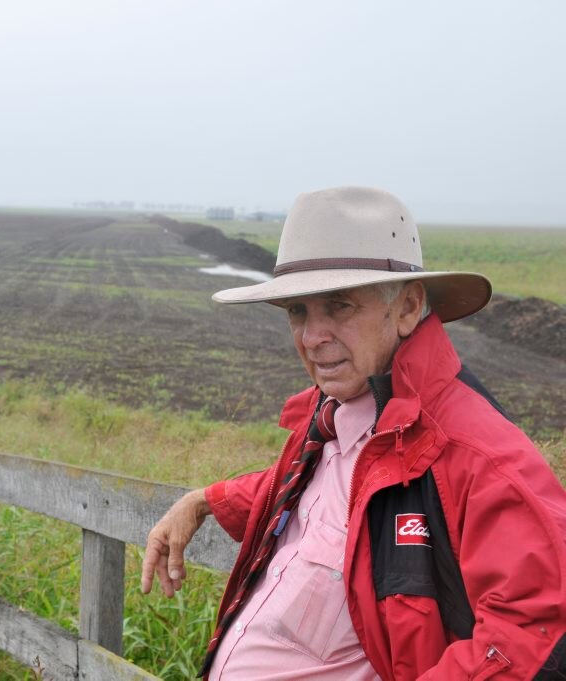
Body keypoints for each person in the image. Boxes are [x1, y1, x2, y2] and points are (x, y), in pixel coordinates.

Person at [140, 186, 566, 680]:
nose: (312, 336)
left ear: (407, 308)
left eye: (338, 306)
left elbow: (534, 634)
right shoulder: (338, 421)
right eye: (298, 311)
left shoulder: (477, 454)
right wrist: (204, 501)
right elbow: (324, 498)